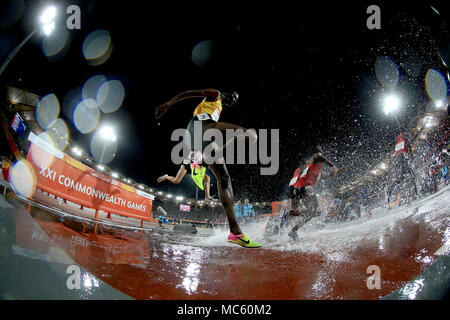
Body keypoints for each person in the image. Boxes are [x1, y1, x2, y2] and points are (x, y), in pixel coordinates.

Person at [155, 88, 261, 248]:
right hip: (198, 127)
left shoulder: (220, 108)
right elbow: (188, 93)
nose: (233, 100)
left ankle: (235, 233)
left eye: (235, 100)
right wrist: (167, 104)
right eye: (232, 96)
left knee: (224, 179)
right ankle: (207, 154)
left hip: (204, 138)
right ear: (226, 93)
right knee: (251, 135)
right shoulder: (215, 94)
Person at [284, 145, 343, 240]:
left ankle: (293, 229)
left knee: (312, 213)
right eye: (320, 151)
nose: (321, 153)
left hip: (301, 189)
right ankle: (292, 214)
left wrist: (337, 172)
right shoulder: (314, 159)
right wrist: (333, 166)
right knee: (316, 211)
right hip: (305, 188)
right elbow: (318, 156)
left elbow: (327, 176)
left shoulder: (318, 171)